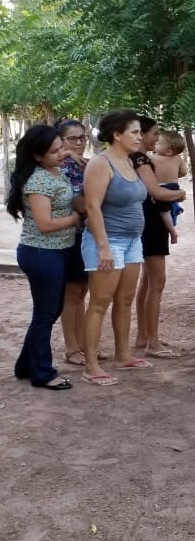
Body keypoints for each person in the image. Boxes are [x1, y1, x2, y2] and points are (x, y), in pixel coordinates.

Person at [81, 110, 152, 386]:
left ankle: (123, 355)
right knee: (99, 303)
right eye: (134, 132)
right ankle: (91, 366)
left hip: (133, 242)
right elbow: (92, 206)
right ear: (116, 135)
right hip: (109, 242)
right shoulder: (101, 163)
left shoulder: (130, 161)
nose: (139, 136)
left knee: (124, 300)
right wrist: (103, 247)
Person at [7, 124, 80, 390]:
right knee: (45, 312)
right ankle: (42, 373)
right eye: (55, 151)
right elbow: (45, 224)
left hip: (57, 251)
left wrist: (69, 155)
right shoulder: (38, 180)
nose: (62, 153)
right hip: (41, 253)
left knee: (50, 310)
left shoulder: (54, 171)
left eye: (63, 147)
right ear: (38, 155)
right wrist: (75, 218)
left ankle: (26, 365)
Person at [132, 117, 187, 358]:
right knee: (157, 282)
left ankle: (143, 335)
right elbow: (156, 192)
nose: (156, 138)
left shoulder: (138, 158)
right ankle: (152, 342)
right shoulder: (142, 159)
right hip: (151, 222)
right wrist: (178, 194)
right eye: (154, 134)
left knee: (147, 281)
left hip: (145, 221)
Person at [57, 119, 93, 366]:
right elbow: (75, 199)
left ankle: (82, 344)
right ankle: (72, 348)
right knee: (72, 292)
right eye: (73, 139)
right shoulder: (58, 165)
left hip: (86, 233)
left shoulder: (87, 164)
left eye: (82, 138)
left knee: (82, 291)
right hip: (68, 234)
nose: (79, 143)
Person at [150, 130, 187, 244]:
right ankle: (175, 209)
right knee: (170, 205)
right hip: (174, 186)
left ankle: (172, 232)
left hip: (161, 188)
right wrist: (173, 175)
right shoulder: (178, 159)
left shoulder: (153, 158)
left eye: (159, 143)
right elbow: (184, 172)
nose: (155, 144)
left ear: (169, 151)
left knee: (164, 212)